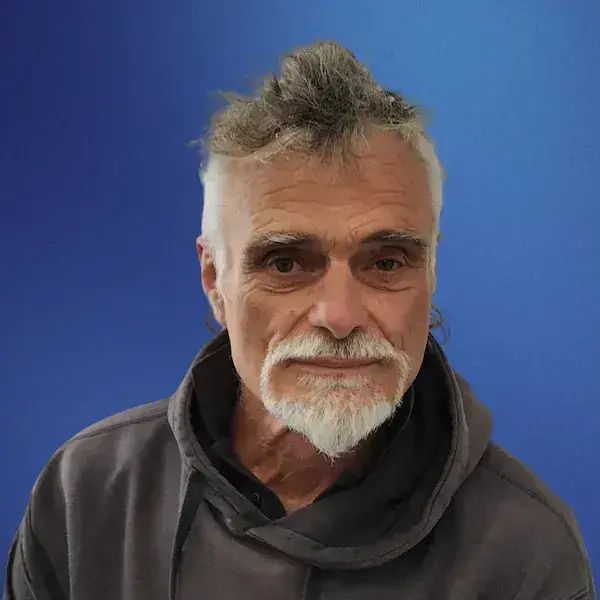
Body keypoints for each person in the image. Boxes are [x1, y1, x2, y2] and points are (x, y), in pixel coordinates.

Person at [4, 40, 595, 600]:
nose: (339, 317)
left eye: (386, 262)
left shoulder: (524, 552)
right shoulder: (87, 498)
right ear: (214, 280)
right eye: (285, 263)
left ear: (432, 271)